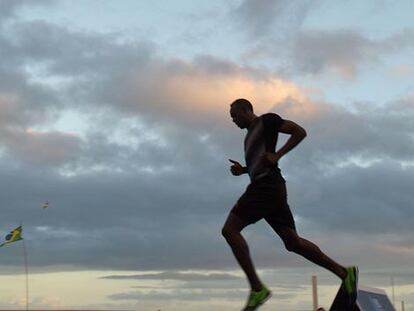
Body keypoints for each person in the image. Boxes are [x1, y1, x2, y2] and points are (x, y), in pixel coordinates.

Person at [222, 98, 358, 310]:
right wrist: (244, 170)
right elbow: (261, 161)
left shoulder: (266, 121)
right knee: (292, 243)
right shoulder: (249, 139)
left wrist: (278, 154)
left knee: (230, 230)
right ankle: (344, 273)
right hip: (271, 189)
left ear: (246, 110)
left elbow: (299, 131)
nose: (233, 121)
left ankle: (258, 289)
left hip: (266, 187)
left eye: (235, 116)